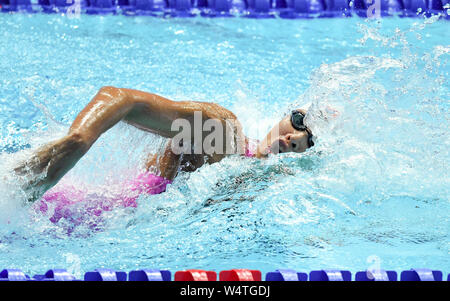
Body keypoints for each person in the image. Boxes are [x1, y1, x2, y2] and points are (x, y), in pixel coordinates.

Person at [15, 86, 314, 204]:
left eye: (309, 142)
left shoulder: (264, 180)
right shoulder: (225, 133)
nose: (295, 138)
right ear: (286, 114)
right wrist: (78, 141)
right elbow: (124, 99)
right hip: (80, 216)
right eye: (301, 122)